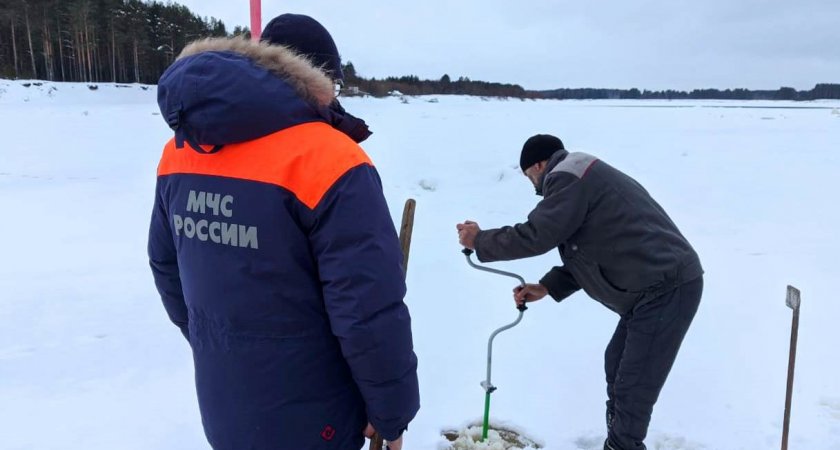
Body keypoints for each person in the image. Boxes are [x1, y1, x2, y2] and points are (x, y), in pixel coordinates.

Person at [148, 14, 419, 450]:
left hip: (225, 406)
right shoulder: (330, 158)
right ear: (320, 79)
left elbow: (167, 266)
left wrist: (218, 346)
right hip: (316, 417)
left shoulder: (181, 151)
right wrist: (391, 412)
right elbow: (366, 308)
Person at [456, 134, 703, 450]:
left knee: (633, 385)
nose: (533, 186)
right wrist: (548, 286)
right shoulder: (579, 175)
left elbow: (537, 234)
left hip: (667, 287)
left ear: (539, 165)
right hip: (650, 288)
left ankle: (622, 445)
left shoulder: (567, 176)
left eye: (529, 176)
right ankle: (619, 441)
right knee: (617, 365)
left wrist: (479, 240)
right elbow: (592, 247)